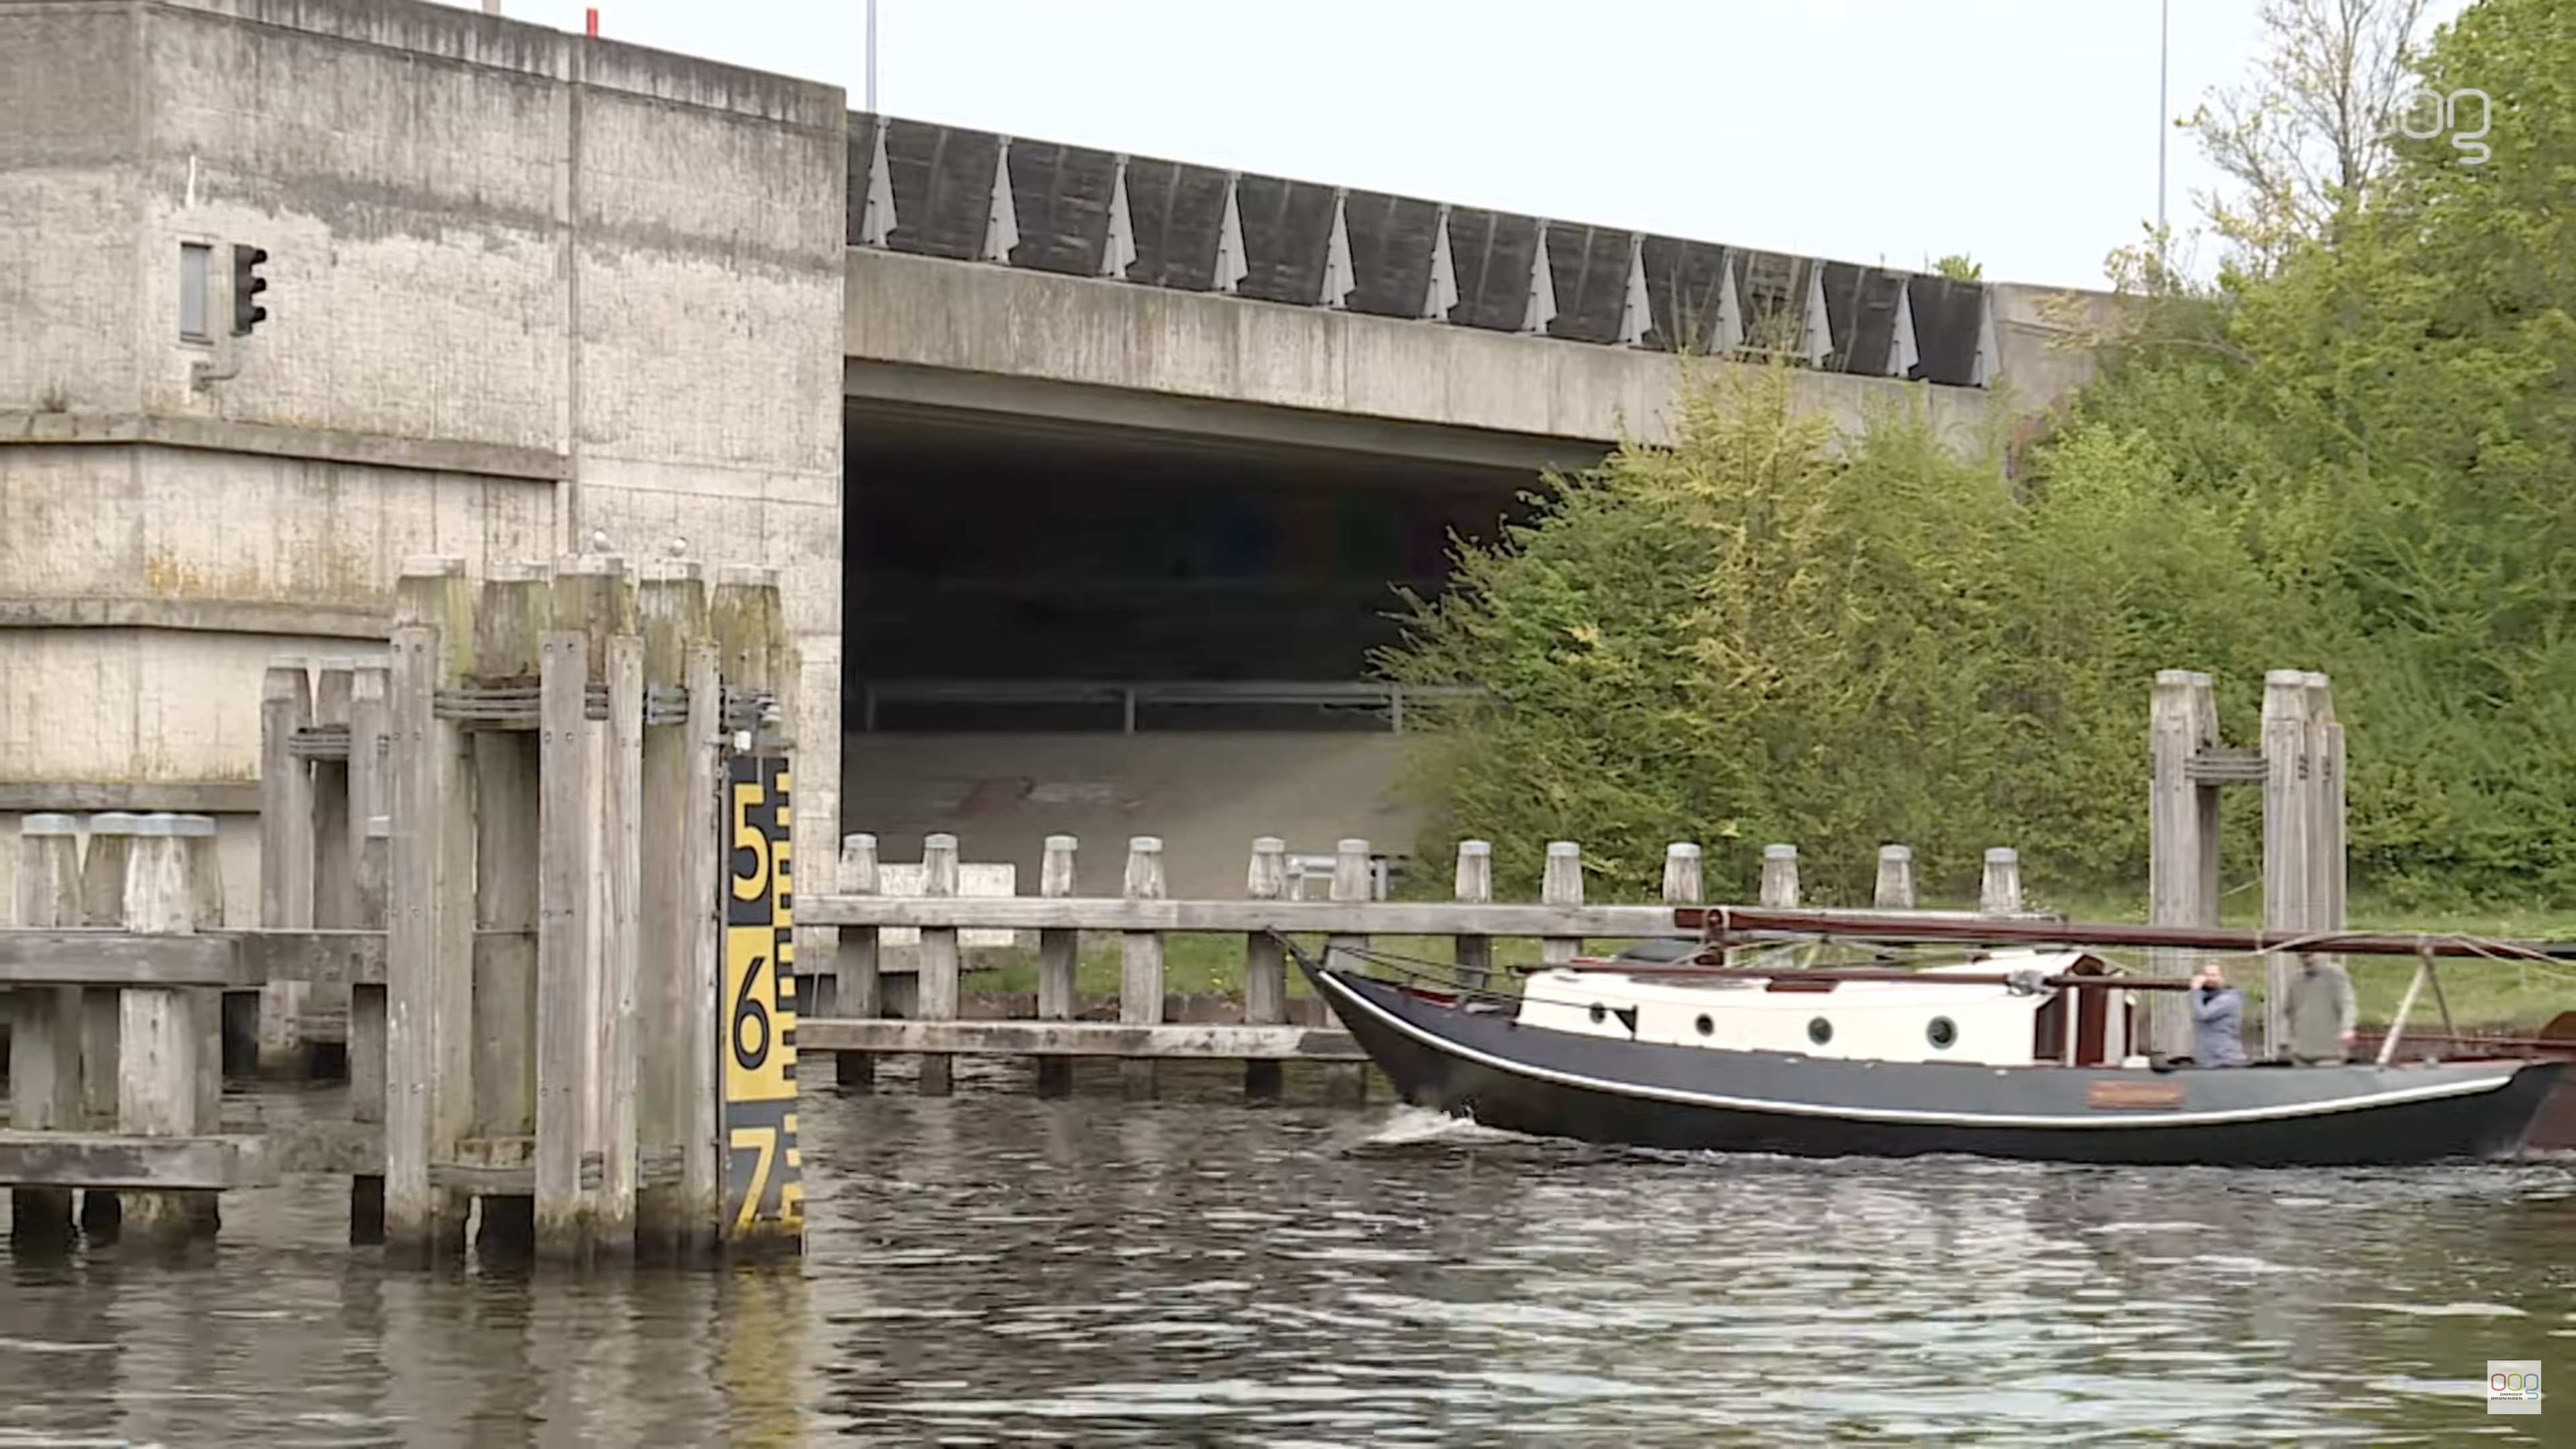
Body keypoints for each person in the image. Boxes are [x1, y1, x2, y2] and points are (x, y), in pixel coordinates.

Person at [2284, 951, 2357, 1065]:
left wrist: (2348, 1028)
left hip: (2329, 1054)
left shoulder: (2336, 975)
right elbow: (2289, 1011)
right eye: (2303, 956)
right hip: (2301, 1053)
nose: (2307, 960)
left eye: (2310, 955)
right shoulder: (2296, 980)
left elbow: (2348, 1004)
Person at [2188, 962, 2248, 1067]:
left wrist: (2195, 991)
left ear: (2223, 978)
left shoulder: (2229, 999)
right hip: (2208, 1060)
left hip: (2226, 1060)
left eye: (2213, 975)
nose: (2209, 979)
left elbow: (2203, 1015)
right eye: (2206, 975)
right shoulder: (2204, 999)